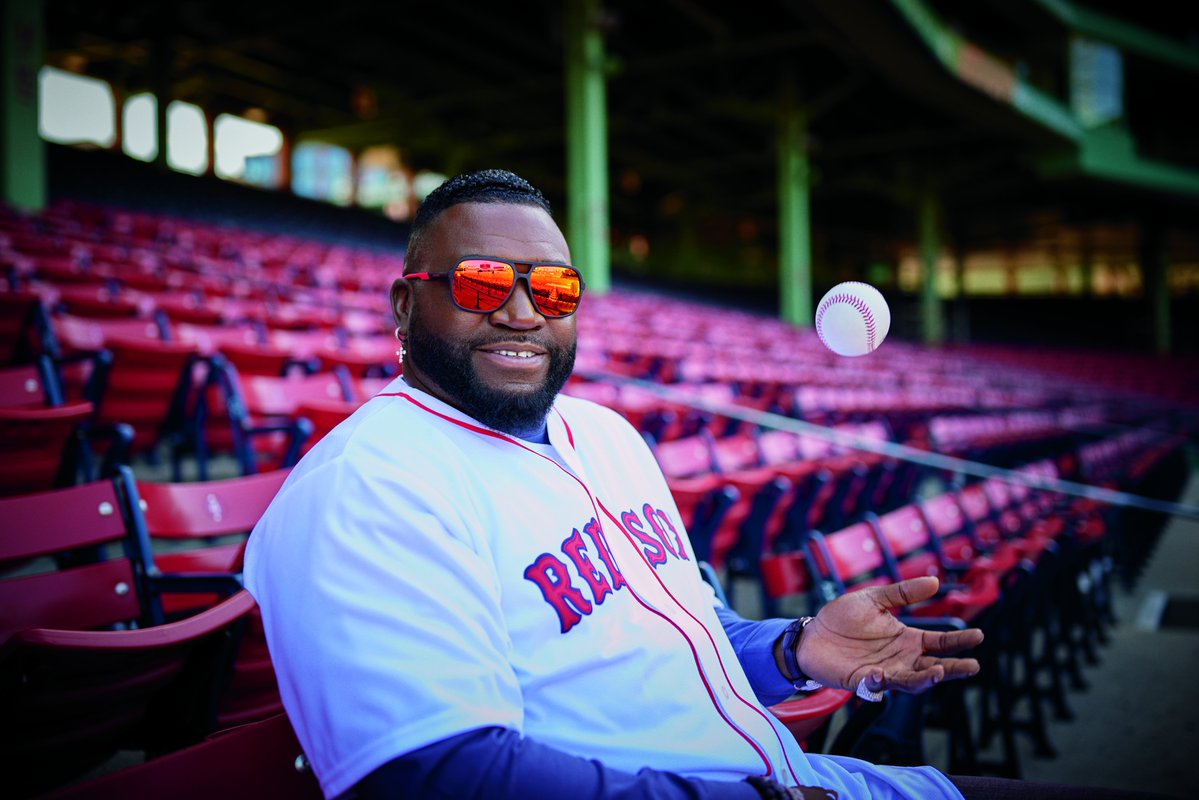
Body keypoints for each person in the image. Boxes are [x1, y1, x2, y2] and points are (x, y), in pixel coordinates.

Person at [244, 170, 1172, 800]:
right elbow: (437, 777)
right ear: (407, 305)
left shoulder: (603, 434)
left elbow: (680, 631)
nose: (523, 310)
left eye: (553, 288)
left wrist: (798, 647)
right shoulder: (368, 487)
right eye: (483, 283)